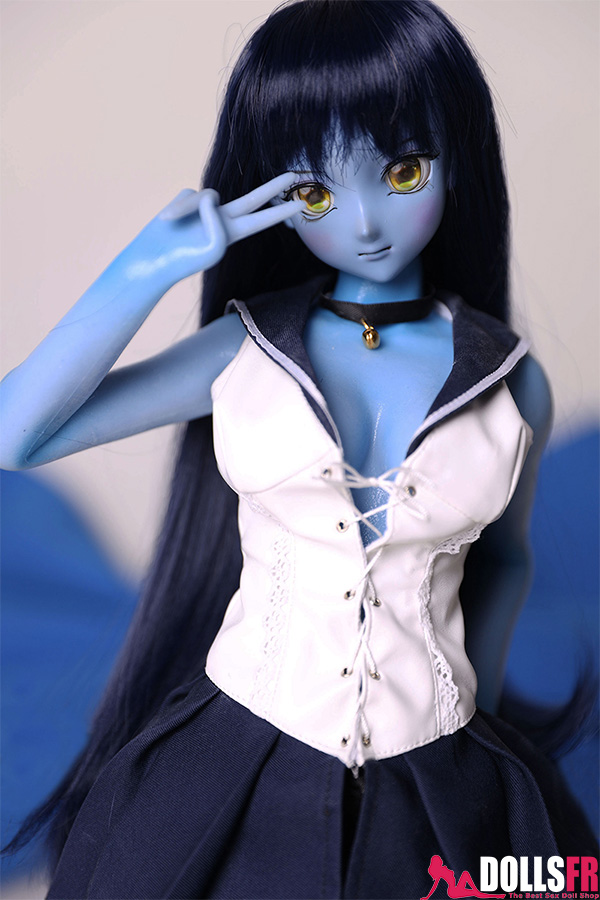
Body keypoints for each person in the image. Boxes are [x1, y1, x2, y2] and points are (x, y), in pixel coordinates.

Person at [1, 1, 596, 897]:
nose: (364, 222)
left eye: (402, 170)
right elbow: (16, 436)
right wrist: (147, 268)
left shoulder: (510, 382)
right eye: (317, 191)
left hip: (441, 760)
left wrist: (474, 713)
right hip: (236, 747)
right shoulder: (246, 350)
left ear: (459, 160)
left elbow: (503, 561)